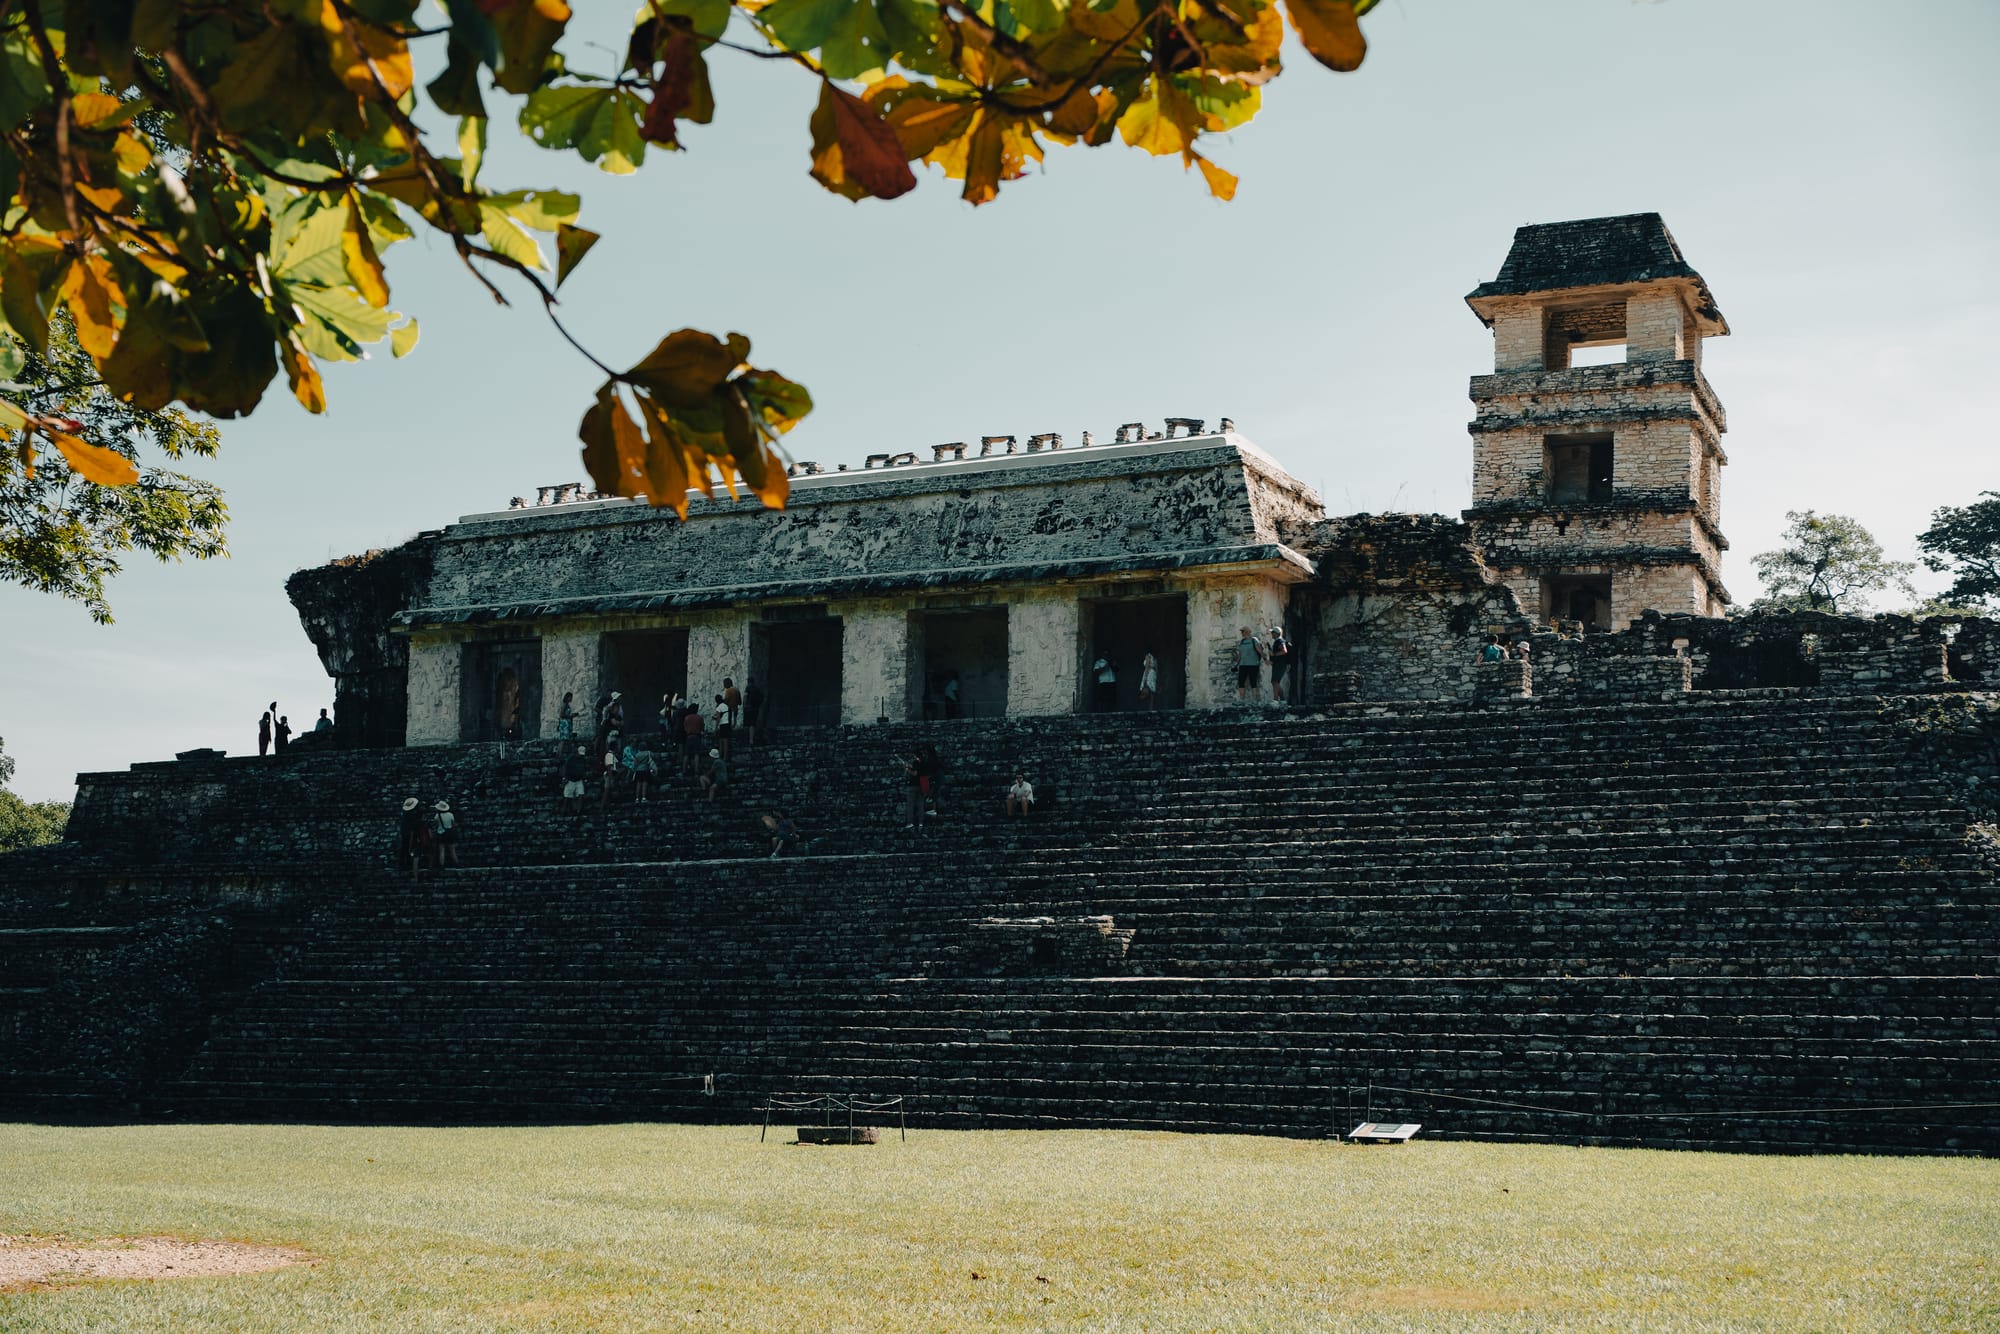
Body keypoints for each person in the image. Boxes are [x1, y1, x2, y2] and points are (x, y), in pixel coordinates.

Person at [397, 796, 426, 879]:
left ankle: (403, 863)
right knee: (409, 848)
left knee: (404, 847)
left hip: (404, 832)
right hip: (410, 833)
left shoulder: (405, 813)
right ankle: (407, 863)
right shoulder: (412, 814)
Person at [1235, 627, 1266, 702]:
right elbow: (1240, 654)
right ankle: (1242, 699)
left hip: (1253, 664)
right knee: (1241, 682)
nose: (1241, 633)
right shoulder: (1242, 641)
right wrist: (1236, 663)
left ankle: (1254, 700)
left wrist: (1265, 659)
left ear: (1247, 632)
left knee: (1253, 682)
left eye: (1243, 631)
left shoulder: (1254, 640)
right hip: (1243, 664)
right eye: (1241, 631)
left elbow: (1260, 650)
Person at [561, 744, 591, 815]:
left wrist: (584, 778)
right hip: (570, 779)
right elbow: (565, 768)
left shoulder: (583, 760)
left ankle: (578, 811)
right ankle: (564, 811)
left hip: (579, 780)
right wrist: (564, 777)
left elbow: (584, 769)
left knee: (581, 794)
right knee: (567, 797)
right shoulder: (570, 759)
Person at [902, 750, 927, 831]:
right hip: (922, 785)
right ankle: (920, 823)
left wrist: (907, 769)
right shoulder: (924, 763)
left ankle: (910, 822)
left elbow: (915, 773)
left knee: (910, 805)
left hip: (913, 786)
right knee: (920, 804)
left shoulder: (916, 762)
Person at [1268, 625, 1293, 705]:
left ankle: (1275, 700)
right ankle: (1282, 700)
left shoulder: (1279, 641)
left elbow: (1284, 651)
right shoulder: (1278, 641)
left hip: (1280, 665)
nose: (1271, 634)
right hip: (1278, 664)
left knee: (1275, 681)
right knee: (1275, 682)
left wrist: (1274, 654)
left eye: (1273, 633)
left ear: (1277, 633)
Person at [431, 799, 458, 868]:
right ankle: (456, 863)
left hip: (441, 834)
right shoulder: (450, 815)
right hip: (449, 833)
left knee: (442, 850)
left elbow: (435, 825)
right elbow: (453, 824)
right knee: (452, 850)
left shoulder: (437, 816)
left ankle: (442, 865)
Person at [680, 701, 705, 774]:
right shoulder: (699, 717)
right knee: (696, 754)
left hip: (689, 736)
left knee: (686, 754)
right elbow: (702, 728)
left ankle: (684, 770)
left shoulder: (686, 718)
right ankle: (696, 770)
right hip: (697, 736)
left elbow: (685, 728)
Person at [742, 679, 765, 748]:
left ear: (748, 682)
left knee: (748, 724)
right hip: (755, 708)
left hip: (749, 708)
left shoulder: (748, 688)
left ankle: (749, 740)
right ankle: (752, 739)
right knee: (753, 723)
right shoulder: (757, 689)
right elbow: (762, 697)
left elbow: (745, 697)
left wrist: (744, 705)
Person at [600, 738, 621, 810]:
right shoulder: (609, 755)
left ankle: (608, 806)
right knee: (606, 792)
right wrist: (611, 779)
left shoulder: (613, 755)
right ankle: (602, 808)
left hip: (613, 774)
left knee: (609, 792)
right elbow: (609, 767)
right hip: (610, 775)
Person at [712, 693, 733, 758]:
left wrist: (716, 727)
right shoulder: (726, 706)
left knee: (721, 741)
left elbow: (718, 718)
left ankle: (721, 756)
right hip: (727, 724)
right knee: (725, 741)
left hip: (722, 725)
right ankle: (724, 756)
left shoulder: (719, 707)